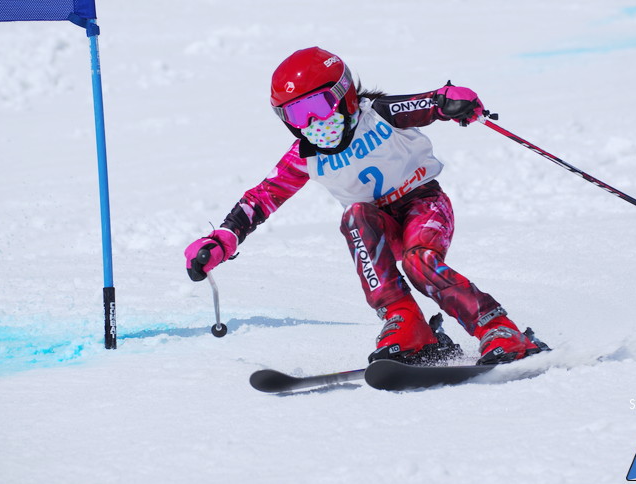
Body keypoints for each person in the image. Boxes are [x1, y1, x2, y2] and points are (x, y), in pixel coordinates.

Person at [185, 46, 545, 365]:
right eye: (296, 115)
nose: (312, 123)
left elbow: (429, 103)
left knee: (420, 262)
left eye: (317, 106)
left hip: (423, 203)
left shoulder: (380, 114)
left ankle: (498, 329)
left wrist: (452, 101)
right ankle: (408, 325)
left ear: (345, 96)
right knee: (355, 216)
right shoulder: (305, 156)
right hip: (379, 224)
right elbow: (263, 197)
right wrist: (222, 240)